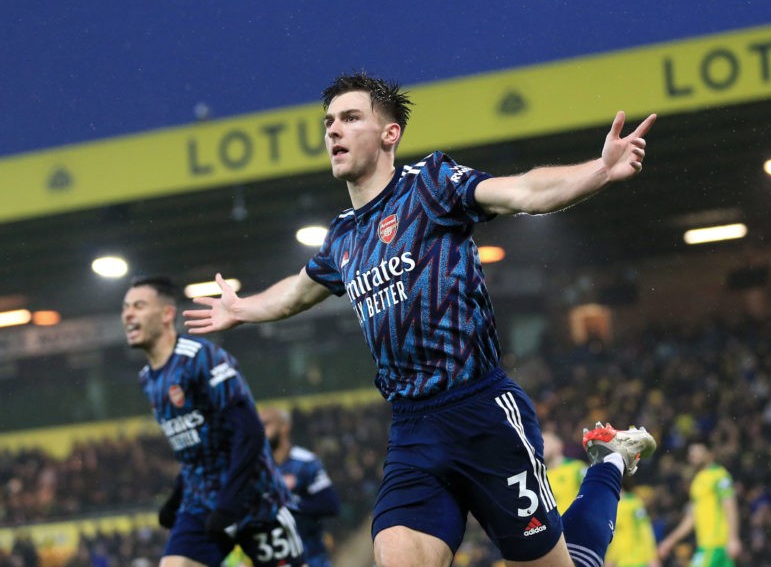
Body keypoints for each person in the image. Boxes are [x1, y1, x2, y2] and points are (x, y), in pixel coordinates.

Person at [184, 72, 658, 567]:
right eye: (328, 122)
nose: (333, 131)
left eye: (350, 119)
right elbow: (296, 292)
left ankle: (608, 463)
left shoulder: (431, 186)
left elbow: (522, 191)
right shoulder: (343, 237)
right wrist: (241, 308)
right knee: (397, 554)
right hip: (412, 429)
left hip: (481, 412)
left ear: (390, 134)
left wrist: (597, 171)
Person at [122, 276, 305, 567]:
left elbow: (249, 433)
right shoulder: (148, 379)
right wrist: (177, 497)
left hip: (255, 499)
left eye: (139, 305)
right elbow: (196, 446)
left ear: (167, 314)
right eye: (126, 307)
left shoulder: (201, 358)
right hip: (201, 504)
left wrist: (230, 501)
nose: (128, 314)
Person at [260, 406, 341, 567]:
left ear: (285, 426)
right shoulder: (254, 467)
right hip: (271, 559)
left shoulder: (305, 462)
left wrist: (288, 506)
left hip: (311, 557)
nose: (260, 430)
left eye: (266, 424)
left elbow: (330, 505)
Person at [657, 437, 741, 567]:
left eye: (697, 452)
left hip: (716, 544)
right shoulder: (697, 481)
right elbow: (692, 518)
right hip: (709, 545)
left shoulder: (719, 475)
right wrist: (670, 541)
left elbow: (730, 506)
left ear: (709, 454)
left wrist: (733, 538)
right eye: (691, 453)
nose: (693, 456)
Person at [604, 477, 660, 567]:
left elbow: (645, 532)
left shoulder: (634, 503)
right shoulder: (608, 506)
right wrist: (609, 560)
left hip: (636, 562)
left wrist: (653, 559)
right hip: (618, 563)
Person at [542, 430, 588, 514]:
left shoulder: (577, 467)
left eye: (545, 442)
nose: (540, 445)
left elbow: (595, 492)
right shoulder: (539, 475)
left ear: (558, 445)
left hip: (574, 524)